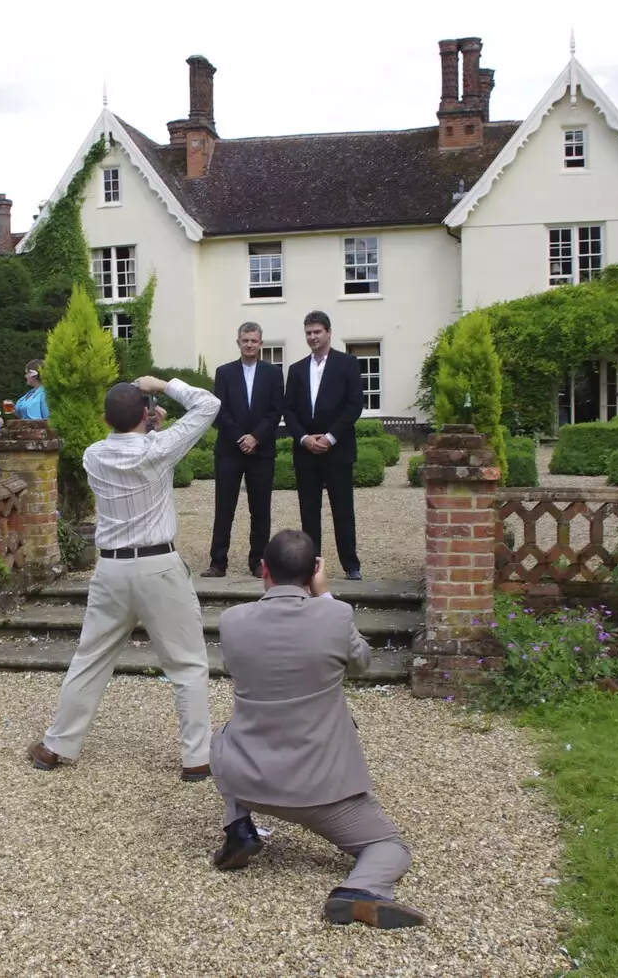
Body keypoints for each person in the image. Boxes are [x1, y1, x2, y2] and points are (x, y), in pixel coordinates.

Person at [209, 529, 427, 930]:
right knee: (388, 846)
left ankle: (238, 825)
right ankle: (360, 890)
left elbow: (234, 669)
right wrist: (325, 596)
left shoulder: (233, 621)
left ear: (263, 571)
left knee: (219, 736)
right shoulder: (335, 614)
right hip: (323, 792)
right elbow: (362, 663)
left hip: (250, 779)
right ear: (313, 573)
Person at [28, 374, 221, 780]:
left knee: (90, 658)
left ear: (104, 418)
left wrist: (149, 426)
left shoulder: (92, 454)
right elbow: (208, 405)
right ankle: (196, 758)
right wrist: (165, 385)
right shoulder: (158, 448)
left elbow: (133, 450)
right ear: (146, 416)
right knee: (187, 665)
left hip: (111, 568)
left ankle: (56, 745)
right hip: (159, 567)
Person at [282, 311, 365, 580]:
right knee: (309, 511)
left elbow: (354, 405)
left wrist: (330, 438)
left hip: (337, 449)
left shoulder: (348, 364)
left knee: (342, 510)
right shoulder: (296, 369)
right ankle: (311, 565)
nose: (312, 337)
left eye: (317, 332)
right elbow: (289, 410)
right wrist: (305, 438)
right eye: (308, 332)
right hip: (306, 451)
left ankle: (351, 565)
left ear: (329, 332)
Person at [204, 322, 284, 579]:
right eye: (245, 340)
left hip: (261, 452)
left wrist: (256, 437)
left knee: (260, 509)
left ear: (261, 343)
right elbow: (219, 411)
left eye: (254, 340)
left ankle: (258, 560)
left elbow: (275, 412)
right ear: (238, 342)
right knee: (224, 507)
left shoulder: (273, 374)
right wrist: (241, 437)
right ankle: (218, 562)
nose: (249, 344)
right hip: (230, 449)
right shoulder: (224, 373)